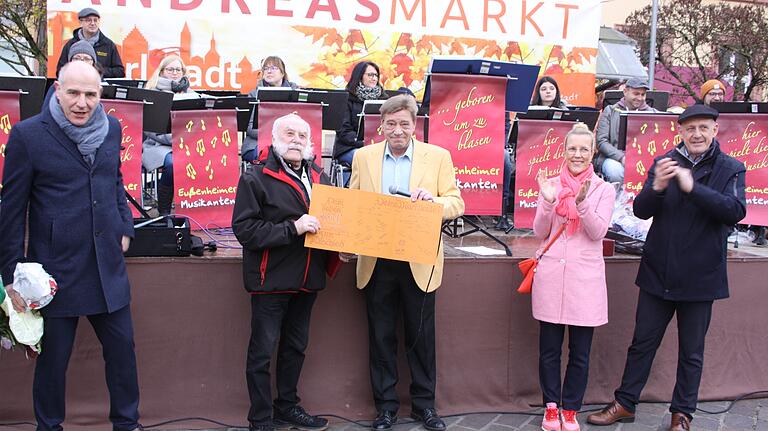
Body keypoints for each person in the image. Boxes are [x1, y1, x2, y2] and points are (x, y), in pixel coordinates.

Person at [587, 105, 746, 431]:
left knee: (692, 352)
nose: (697, 134)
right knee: (642, 343)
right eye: (690, 129)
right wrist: (658, 187)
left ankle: (682, 414)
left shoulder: (731, 167)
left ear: (715, 130)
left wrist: (692, 188)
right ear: (681, 132)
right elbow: (642, 211)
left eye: (703, 128)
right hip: (659, 269)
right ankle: (625, 403)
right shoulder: (664, 162)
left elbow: (734, 211)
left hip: (701, 276)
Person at [0, 61, 140, 431]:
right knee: (53, 363)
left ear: (101, 95)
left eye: (91, 94)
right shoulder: (28, 136)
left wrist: (124, 226)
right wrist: (10, 273)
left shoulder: (110, 128)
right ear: (57, 90)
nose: (82, 103)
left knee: (123, 353)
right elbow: (12, 209)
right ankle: (49, 427)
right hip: (55, 271)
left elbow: (114, 180)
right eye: (73, 93)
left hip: (106, 266)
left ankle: (127, 424)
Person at [347, 94, 465, 431]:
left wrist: (434, 202)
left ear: (415, 126)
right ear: (381, 126)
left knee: (421, 338)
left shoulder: (438, 157)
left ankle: (424, 406)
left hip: (420, 259)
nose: (397, 130)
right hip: (377, 259)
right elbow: (355, 203)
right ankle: (385, 407)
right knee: (381, 337)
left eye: (404, 124)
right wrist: (346, 241)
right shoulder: (364, 157)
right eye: (391, 123)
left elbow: (456, 202)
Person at [232, 113, 335, 431]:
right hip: (271, 279)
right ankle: (260, 418)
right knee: (262, 352)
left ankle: (287, 407)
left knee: (295, 348)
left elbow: (332, 222)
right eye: (289, 134)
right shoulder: (255, 177)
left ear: (310, 143)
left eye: (302, 136)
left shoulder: (320, 176)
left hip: (307, 278)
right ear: (274, 139)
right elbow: (245, 230)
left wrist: (342, 245)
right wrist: (293, 228)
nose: (296, 140)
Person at [532, 123, 615, 431]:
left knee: (580, 352)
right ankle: (551, 407)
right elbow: (540, 231)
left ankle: (571, 409)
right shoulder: (551, 184)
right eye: (572, 148)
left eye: (584, 149)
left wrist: (581, 203)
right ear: (563, 151)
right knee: (549, 350)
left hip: (585, 278)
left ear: (593, 152)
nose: (577, 154)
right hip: (552, 274)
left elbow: (597, 232)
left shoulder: (604, 189)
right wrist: (547, 201)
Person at [142, 55, 201, 215]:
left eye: (178, 69)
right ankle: (164, 210)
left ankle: (199, 207)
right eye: (170, 69)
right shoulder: (152, 92)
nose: (175, 73)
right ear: (161, 71)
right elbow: (149, 129)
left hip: (186, 144)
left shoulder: (192, 94)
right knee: (173, 163)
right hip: (159, 144)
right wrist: (174, 139)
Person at [332, 61, 387, 184]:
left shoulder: (384, 100)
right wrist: (363, 143)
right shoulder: (346, 99)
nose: (374, 78)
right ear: (360, 76)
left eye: (376, 75)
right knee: (369, 159)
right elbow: (344, 131)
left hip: (378, 147)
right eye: (370, 75)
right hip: (350, 147)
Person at [595, 78, 657, 184]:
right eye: (636, 93)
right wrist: (622, 157)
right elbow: (601, 141)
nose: (640, 98)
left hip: (642, 160)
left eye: (643, 94)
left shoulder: (653, 113)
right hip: (613, 159)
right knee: (616, 172)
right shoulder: (610, 111)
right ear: (625, 92)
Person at [242, 56, 299, 163]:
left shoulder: (295, 93)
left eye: (273, 68)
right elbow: (249, 128)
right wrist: (276, 136)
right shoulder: (254, 94)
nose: (269, 71)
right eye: (266, 68)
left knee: (301, 154)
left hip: (289, 143)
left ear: (282, 73)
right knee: (275, 154)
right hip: (257, 143)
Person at [56, 7, 125, 78]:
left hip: (100, 87)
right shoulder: (70, 44)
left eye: (95, 20)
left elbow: (120, 72)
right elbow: (60, 71)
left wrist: (97, 71)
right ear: (80, 22)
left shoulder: (108, 45)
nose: (92, 23)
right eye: (88, 20)